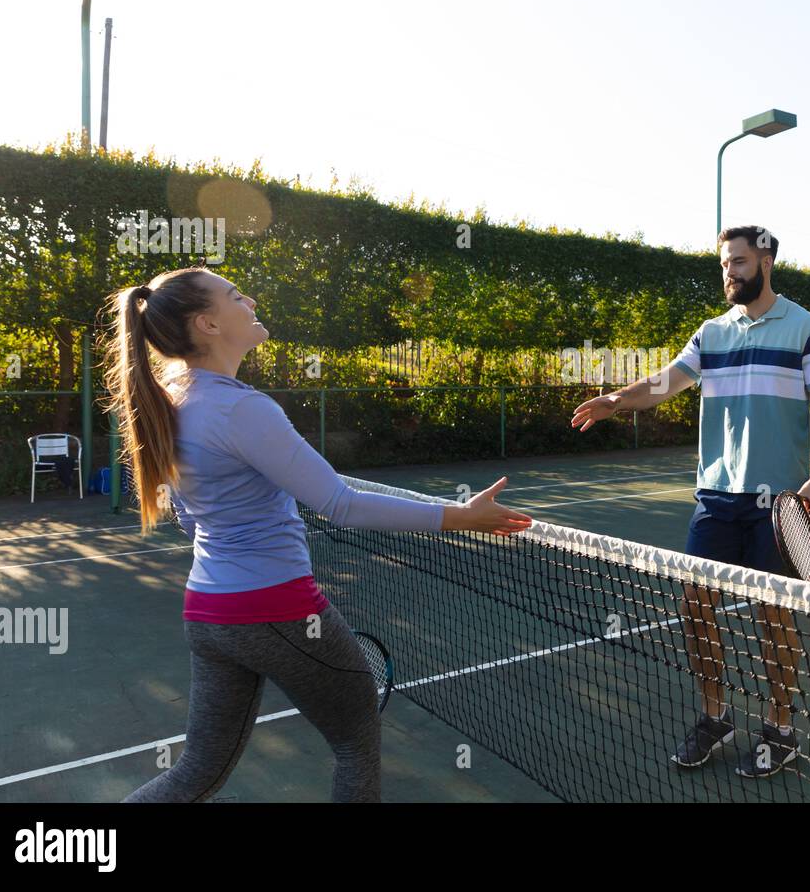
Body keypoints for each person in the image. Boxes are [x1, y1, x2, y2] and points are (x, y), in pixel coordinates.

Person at [105, 267, 531, 802]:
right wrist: (458, 516)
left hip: (208, 612)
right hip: (276, 608)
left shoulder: (172, 402)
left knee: (197, 772)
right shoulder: (241, 408)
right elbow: (339, 504)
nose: (251, 299)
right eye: (236, 295)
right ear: (208, 323)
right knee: (356, 744)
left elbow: (189, 517)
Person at [571, 226, 810, 777]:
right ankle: (715, 717)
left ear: (766, 262)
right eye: (725, 264)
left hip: (779, 504)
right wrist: (614, 400)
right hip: (716, 498)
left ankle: (780, 728)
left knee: (775, 618)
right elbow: (666, 382)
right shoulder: (711, 333)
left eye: (739, 262)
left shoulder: (805, 329)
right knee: (695, 606)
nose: (730, 273)